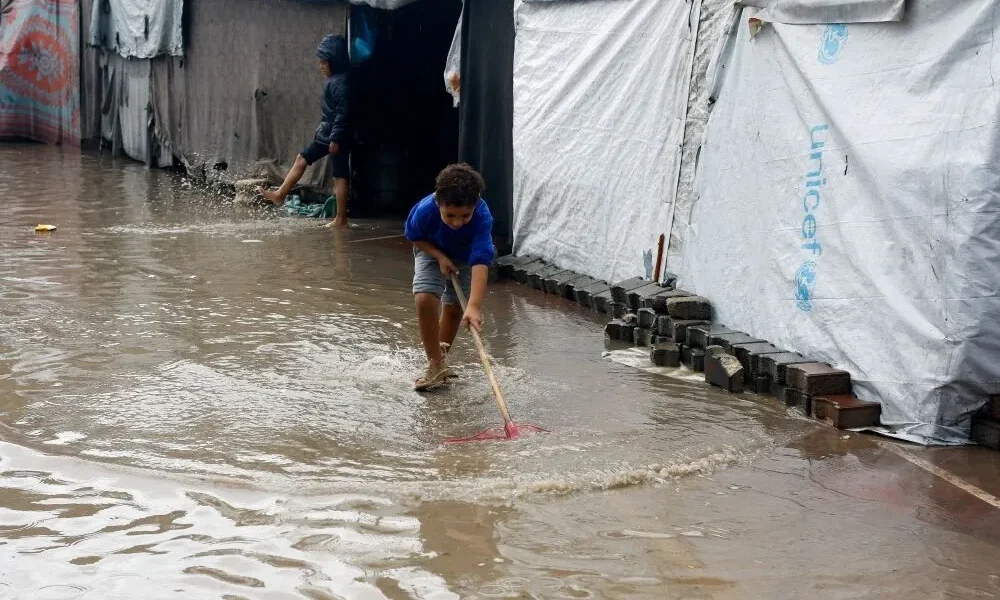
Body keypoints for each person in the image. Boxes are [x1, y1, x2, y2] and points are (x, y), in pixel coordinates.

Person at [405, 163, 495, 391]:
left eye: (465, 215)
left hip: (465, 258)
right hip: (430, 249)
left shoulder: (483, 218)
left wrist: (473, 306)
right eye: (450, 215)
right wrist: (440, 257)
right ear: (438, 204)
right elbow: (415, 237)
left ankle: (440, 357)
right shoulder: (425, 210)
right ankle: (434, 363)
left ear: (476, 204)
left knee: (455, 309)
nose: (457, 222)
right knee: (425, 298)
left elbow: (480, 262)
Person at [260, 34, 351, 228]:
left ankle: (341, 219)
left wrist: (335, 138)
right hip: (328, 134)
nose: (321, 66)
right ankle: (280, 195)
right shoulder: (335, 80)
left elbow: (343, 113)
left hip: (334, 136)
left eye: (324, 63)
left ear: (333, 62)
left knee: (340, 175)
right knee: (303, 160)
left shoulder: (341, 83)